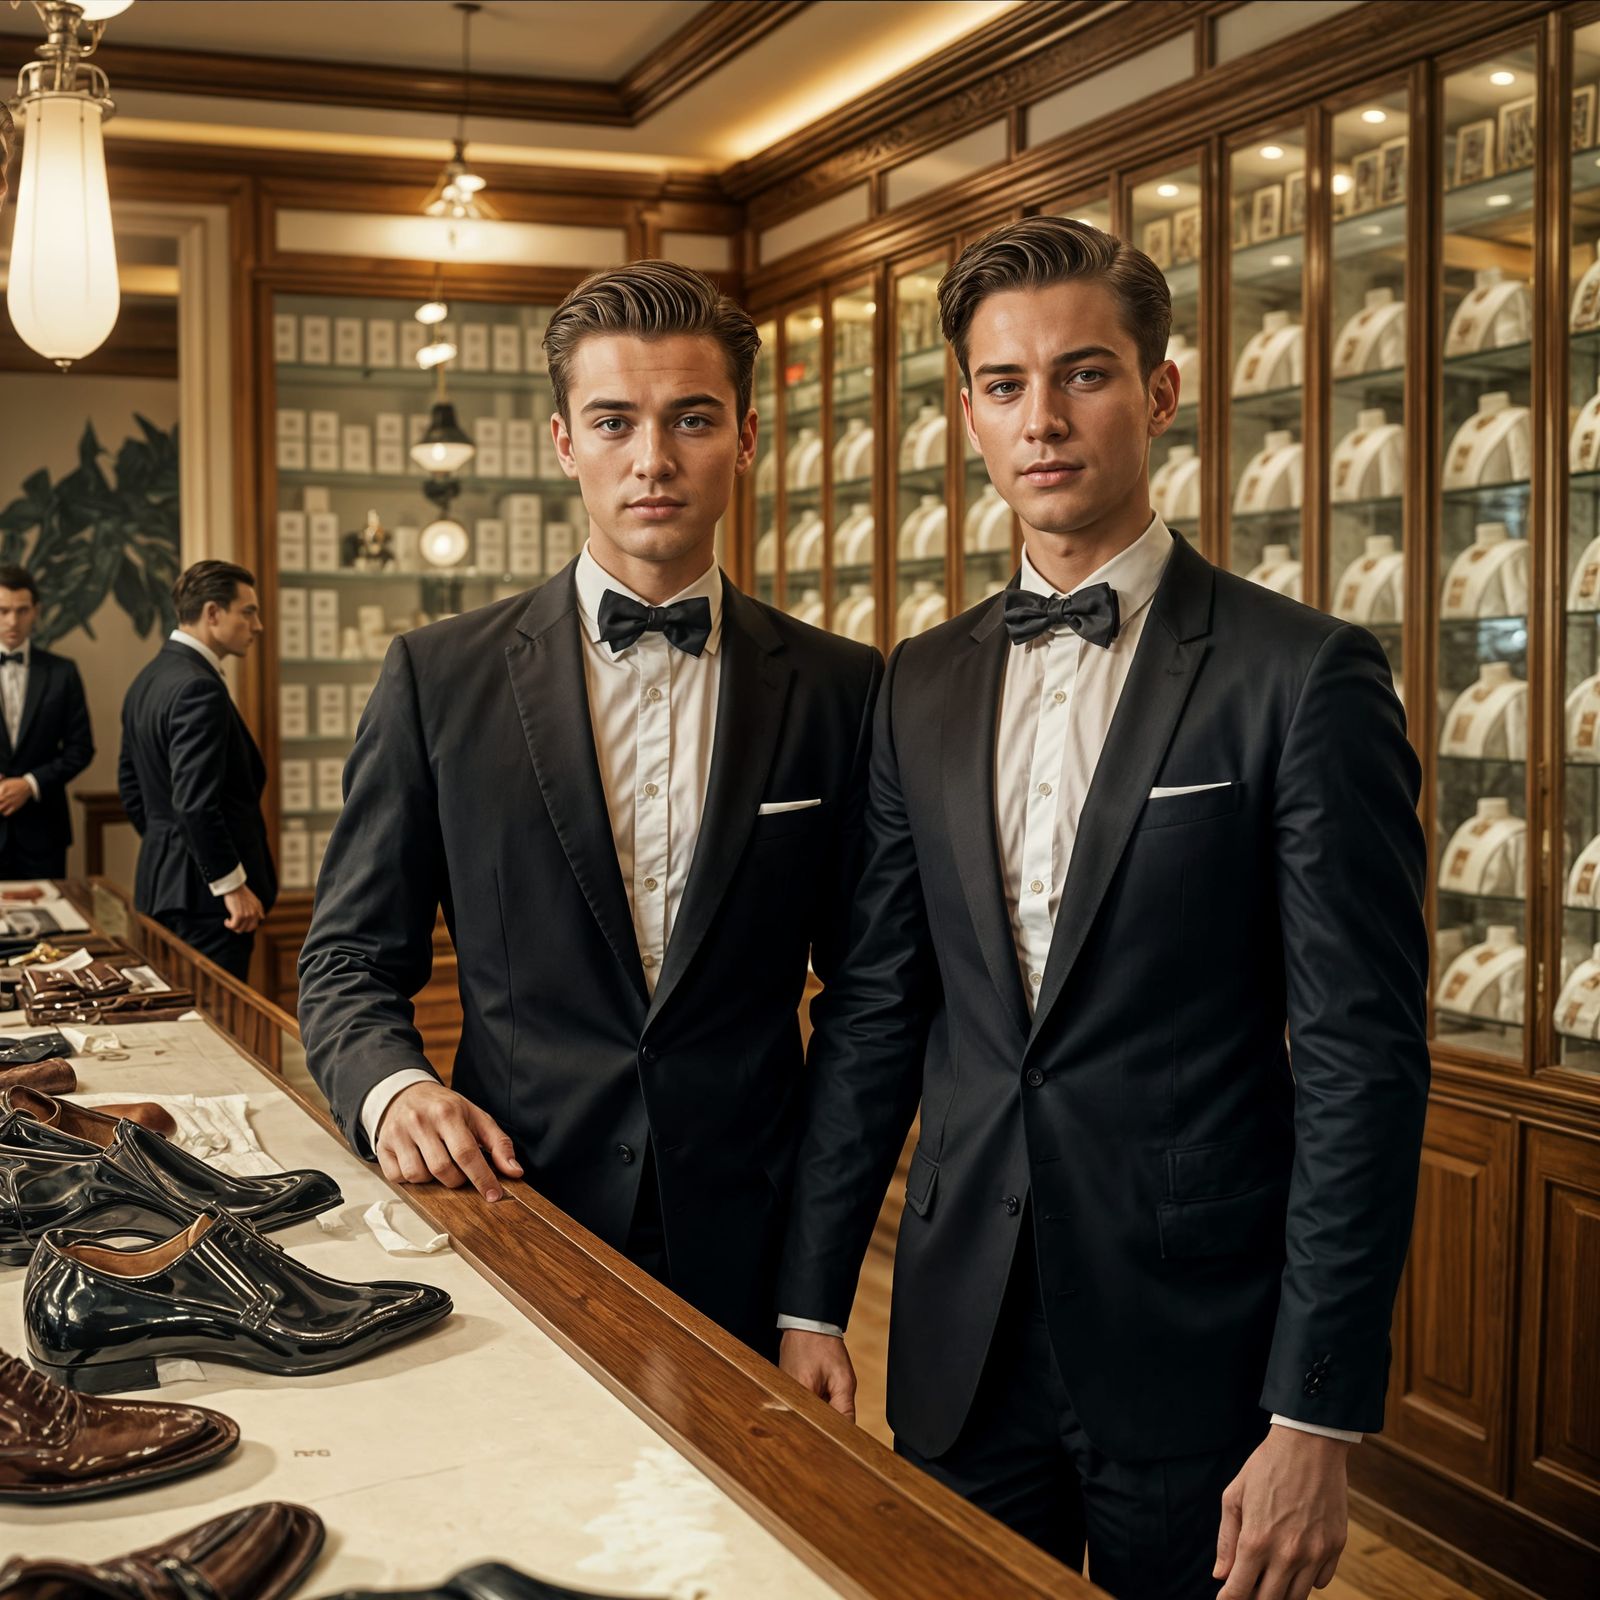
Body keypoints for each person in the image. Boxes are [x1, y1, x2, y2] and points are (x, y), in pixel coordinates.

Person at [776, 217, 1431, 1600]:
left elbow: (1364, 1058)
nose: (1044, 420)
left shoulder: (1303, 675)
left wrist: (1316, 1410)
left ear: (1162, 392)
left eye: (1084, 374)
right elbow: (881, 1008)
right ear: (966, 411)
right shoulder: (923, 680)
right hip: (958, 1338)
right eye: (1005, 386)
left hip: (1196, 1353)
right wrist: (810, 1294)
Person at [297, 261, 882, 1358]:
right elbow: (344, 962)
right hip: (506, 1205)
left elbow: (867, 1002)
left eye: (691, 420)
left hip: (745, 1240)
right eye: (614, 421)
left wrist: (815, 1295)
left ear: (746, 437)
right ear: (565, 442)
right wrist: (391, 1089)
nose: (652, 459)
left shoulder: (844, 688)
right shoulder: (436, 676)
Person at [118, 561, 273, 980]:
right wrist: (231, 886)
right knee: (220, 1031)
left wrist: (170, 850)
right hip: (208, 905)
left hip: (161, 888)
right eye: (248, 611)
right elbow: (194, 804)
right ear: (212, 613)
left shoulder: (147, 679)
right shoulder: (198, 686)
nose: (257, 625)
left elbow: (132, 790)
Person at [0, 567, 93, 880]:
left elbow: (81, 749)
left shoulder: (62, 672)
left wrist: (30, 784)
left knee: (51, 926)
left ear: (36, 612)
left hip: (43, 835)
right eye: (3, 610)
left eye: (22, 610)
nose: (13, 621)